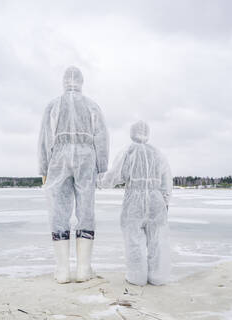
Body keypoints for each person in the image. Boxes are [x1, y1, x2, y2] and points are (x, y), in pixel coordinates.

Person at [38, 66, 109, 283]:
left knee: (59, 210)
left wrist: (44, 169)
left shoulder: (53, 105)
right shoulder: (91, 105)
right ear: (81, 81)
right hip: (86, 157)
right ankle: (83, 269)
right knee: (85, 209)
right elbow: (102, 137)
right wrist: (102, 166)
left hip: (58, 158)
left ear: (63, 81)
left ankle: (62, 270)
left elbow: (45, 139)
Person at [97, 121, 172, 286]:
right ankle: (158, 277)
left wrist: (99, 182)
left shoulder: (128, 151)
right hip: (156, 201)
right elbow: (167, 181)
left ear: (132, 132)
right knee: (157, 241)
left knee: (134, 240)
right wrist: (165, 201)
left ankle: (136, 277)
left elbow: (114, 175)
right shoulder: (158, 154)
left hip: (134, 202)